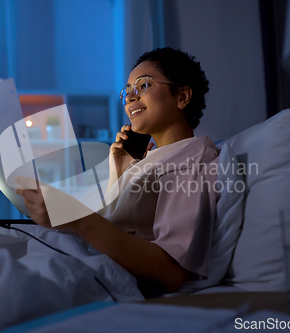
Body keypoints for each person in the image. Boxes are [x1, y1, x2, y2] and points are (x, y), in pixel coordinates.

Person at [15, 47, 219, 296]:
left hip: (101, 274)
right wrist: (120, 172)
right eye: (128, 90)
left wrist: (76, 218)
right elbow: (121, 221)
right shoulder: (148, 159)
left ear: (182, 97)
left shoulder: (192, 158)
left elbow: (171, 272)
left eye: (143, 85)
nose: (131, 97)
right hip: (76, 254)